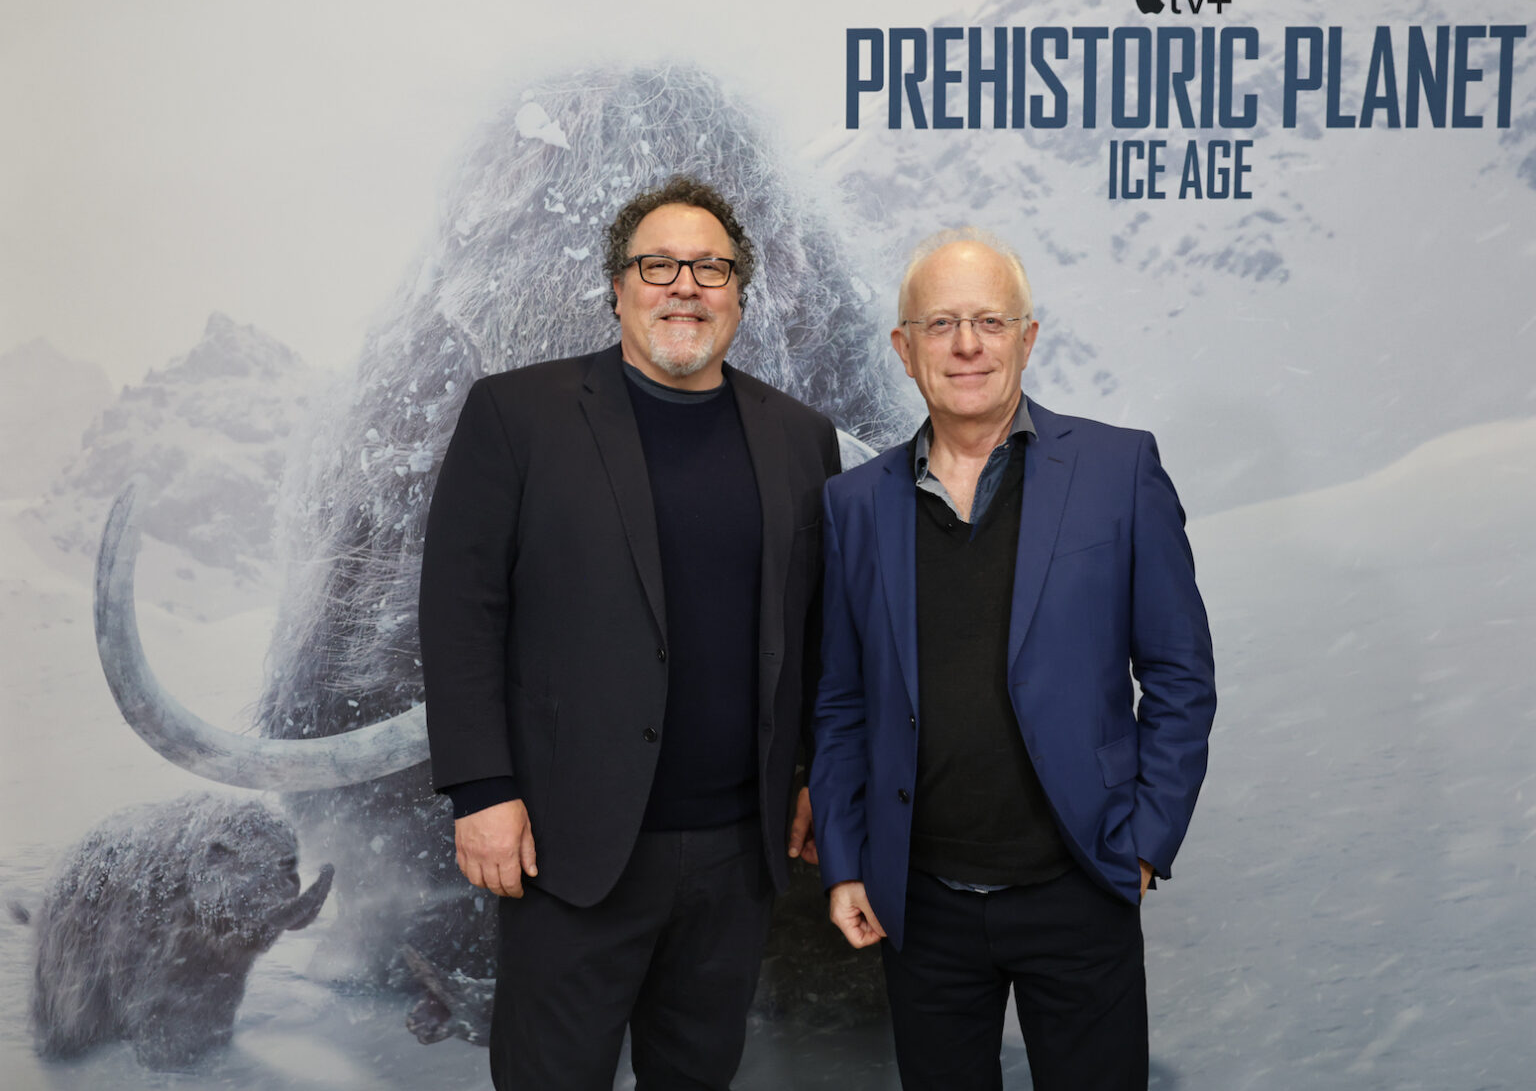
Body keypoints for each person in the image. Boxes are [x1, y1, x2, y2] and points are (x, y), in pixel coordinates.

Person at [419, 174, 840, 1090]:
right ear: (618, 287)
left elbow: (812, 630)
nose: (684, 285)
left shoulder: (802, 437)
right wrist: (480, 789)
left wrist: (810, 771)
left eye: (711, 268)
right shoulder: (515, 415)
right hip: (568, 847)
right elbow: (460, 610)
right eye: (658, 264)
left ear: (739, 295)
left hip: (738, 851)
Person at [809, 229, 1216, 1090]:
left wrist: (1143, 842)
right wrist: (846, 860)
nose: (967, 345)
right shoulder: (853, 506)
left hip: (1081, 882)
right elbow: (842, 702)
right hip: (919, 905)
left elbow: (1181, 675)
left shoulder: (1118, 468)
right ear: (904, 347)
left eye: (991, 320)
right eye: (942, 323)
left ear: (1027, 338)